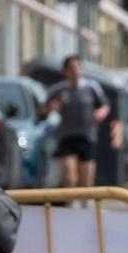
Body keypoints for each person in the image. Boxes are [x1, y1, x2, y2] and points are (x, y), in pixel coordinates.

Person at [42, 56, 108, 188]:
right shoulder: (58, 90)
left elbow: (104, 105)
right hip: (66, 137)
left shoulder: (92, 87)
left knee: (86, 182)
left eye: (78, 67)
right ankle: (70, 205)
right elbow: (42, 110)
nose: (75, 71)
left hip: (87, 136)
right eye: (71, 68)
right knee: (70, 178)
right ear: (66, 71)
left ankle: (84, 207)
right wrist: (50, 108)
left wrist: (101, 112)